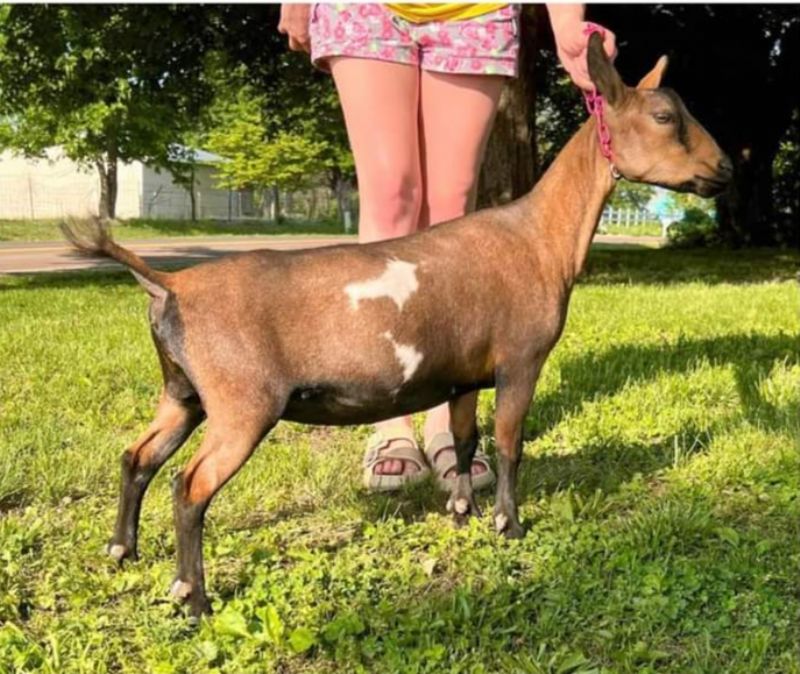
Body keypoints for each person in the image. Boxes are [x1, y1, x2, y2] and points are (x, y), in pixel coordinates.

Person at [278, 3, 616, 492]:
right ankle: (390, 421)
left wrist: (566, 25)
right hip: (366, 9)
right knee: (391, 194)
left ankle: (446, 418)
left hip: (474, 11)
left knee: (452, 206)